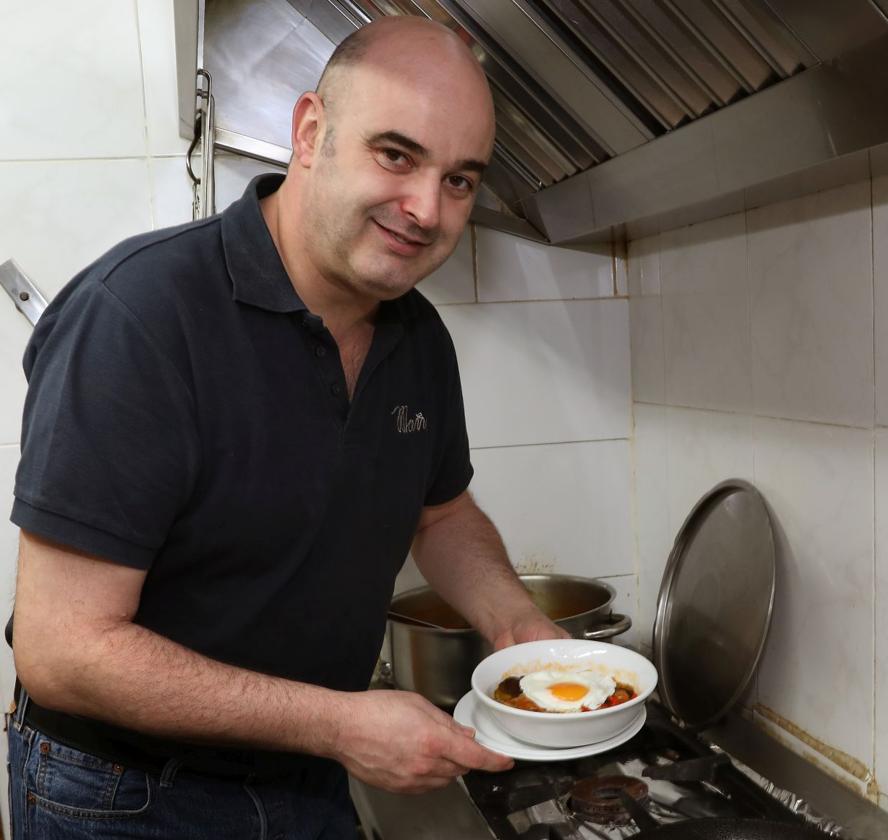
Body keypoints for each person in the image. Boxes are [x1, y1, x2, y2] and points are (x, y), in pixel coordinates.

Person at [5, 15, 567, 839]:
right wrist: (341, 724)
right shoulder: (142, 316)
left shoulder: (416, 337)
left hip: (308, 783)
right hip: (122, 797)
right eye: (397, 154)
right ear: (310, 132)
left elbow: (440, 513)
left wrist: (522, 633)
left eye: (460, 180)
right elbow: (61, 652)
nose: (425, 208)